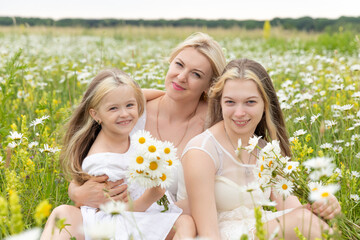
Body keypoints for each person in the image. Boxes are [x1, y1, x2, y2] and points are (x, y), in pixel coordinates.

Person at [42, 32, 227, 239]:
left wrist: (152, 211)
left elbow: (214, 195)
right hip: (116, 215)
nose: (181, 77)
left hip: (169, 219)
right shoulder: (132, 110)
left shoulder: (213, 126)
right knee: (62, 214)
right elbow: (96, 164)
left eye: (196, 74)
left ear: (210, 85)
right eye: (179, 64)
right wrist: (76, 191)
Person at [178, 59, 341, 239]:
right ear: (220, 103)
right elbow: (208, 234)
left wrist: (322, 206)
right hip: (219, 234)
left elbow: (291, 209)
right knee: (305, 222)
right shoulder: (202, 151)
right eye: (230, 102)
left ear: (265, 104)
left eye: (250, 102)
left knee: (312, 220)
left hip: (258, 227)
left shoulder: (267, 150)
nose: (239, 113)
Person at [41, 68, 187, 240]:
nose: (124, 114)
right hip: (115, 225)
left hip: (137, 214)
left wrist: (174, 96)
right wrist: (151, 196)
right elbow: (112, 213)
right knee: (185, 224)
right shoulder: (104, 162)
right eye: (113, 109)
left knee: (186, 223)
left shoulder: (126, 136)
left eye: (130, 105)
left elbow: (134, 95)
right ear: (96, 115)